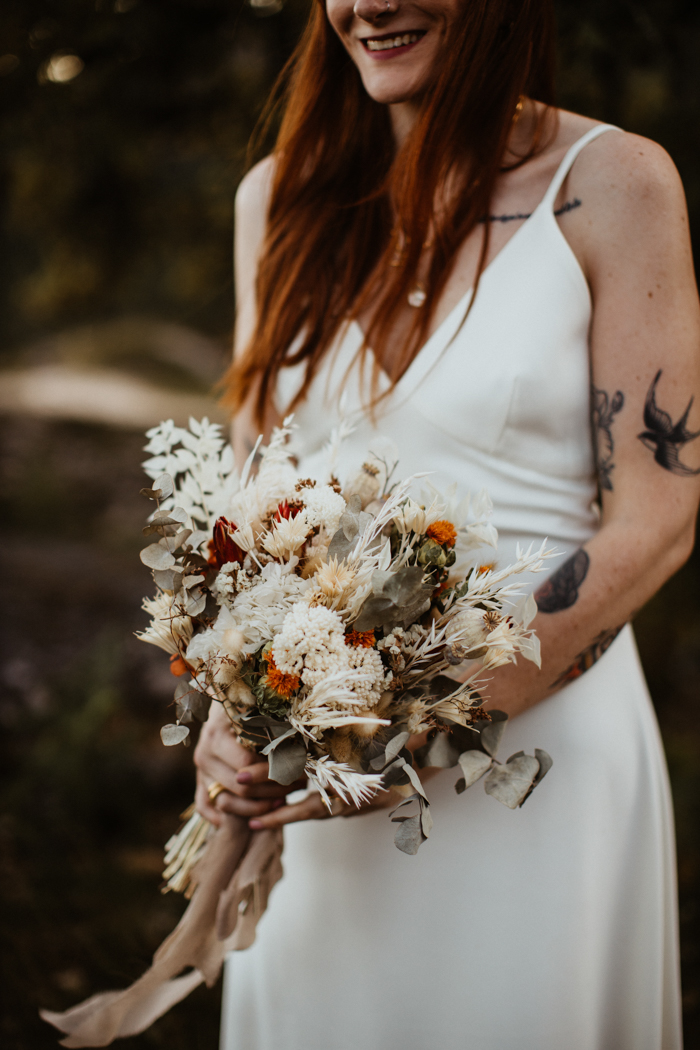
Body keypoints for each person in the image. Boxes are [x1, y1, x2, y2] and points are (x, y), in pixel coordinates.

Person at [194, 0, 700, 1046]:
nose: (367, 4)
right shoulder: (277, 199)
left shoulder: (611, 184)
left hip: (536, 769)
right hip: (313, 773)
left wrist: (429, 721)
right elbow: (255, 491)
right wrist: (228, 702)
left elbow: (659, 517)